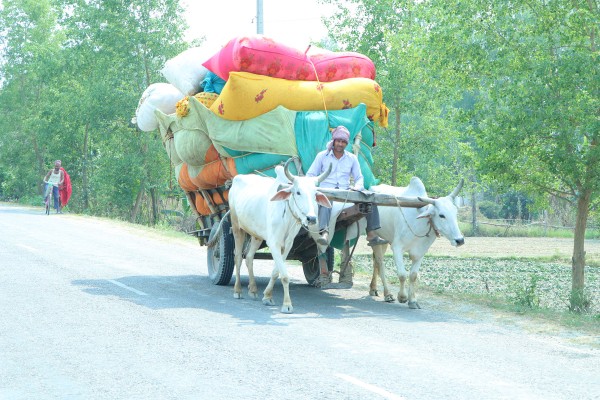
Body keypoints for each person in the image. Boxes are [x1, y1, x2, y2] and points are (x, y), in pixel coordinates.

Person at [306, 125, 388, 284]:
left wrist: (357, 188)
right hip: (327, 193)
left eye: (344, 142)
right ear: (333, 141)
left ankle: (371, 234)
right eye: (338, 141)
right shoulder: (322, 157)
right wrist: (318, 187)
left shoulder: (351, 158)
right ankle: (324, 233)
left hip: (345, 194)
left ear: (346, 143)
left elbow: (359, 178)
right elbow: (310, 175)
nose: (340, 144)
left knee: (370, 197)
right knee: (325, 202)